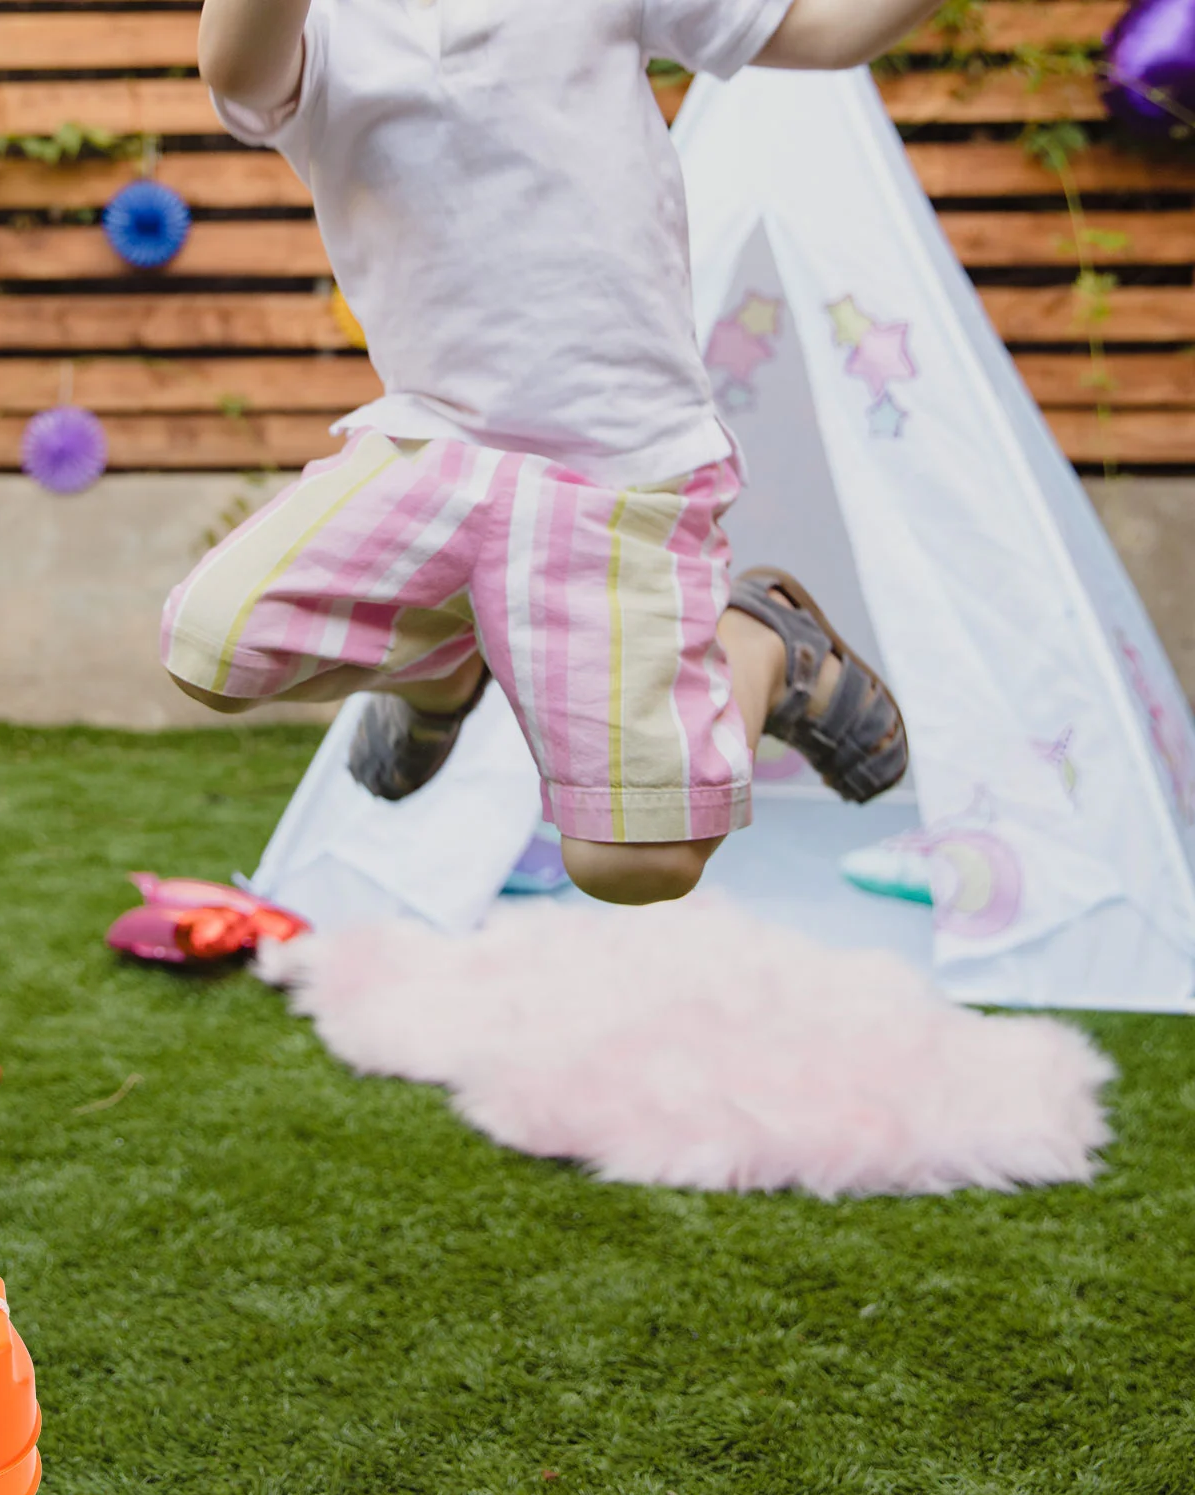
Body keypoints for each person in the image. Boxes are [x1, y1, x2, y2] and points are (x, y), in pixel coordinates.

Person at [162, 0, 935, 906]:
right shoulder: (325, 29)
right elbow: (236, 66)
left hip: (618, 479)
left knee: (632, 867)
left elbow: (828, 30)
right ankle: (448, 667)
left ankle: (762, 642)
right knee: (215, 645)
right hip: (435, 448)